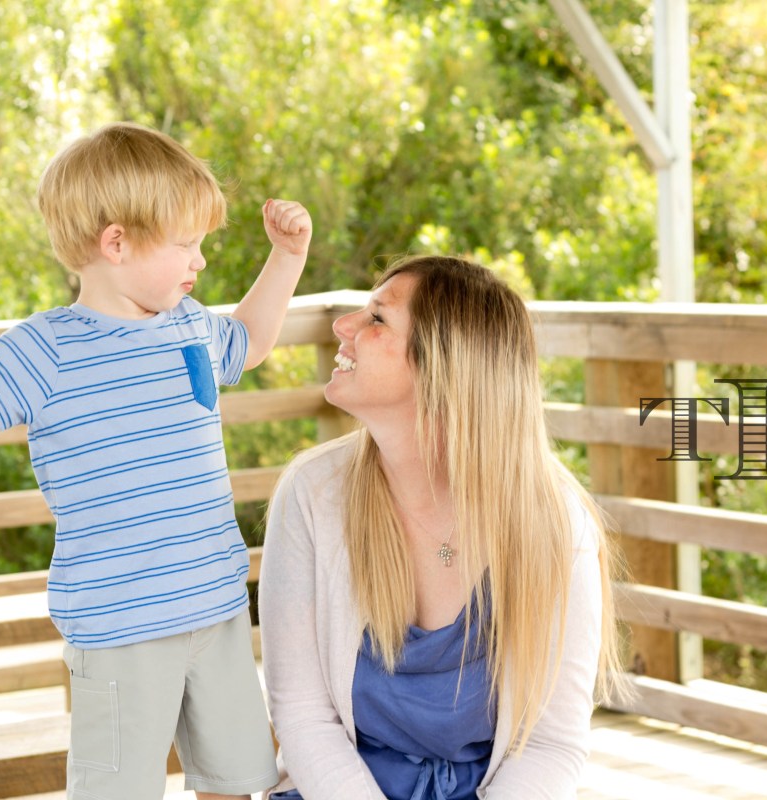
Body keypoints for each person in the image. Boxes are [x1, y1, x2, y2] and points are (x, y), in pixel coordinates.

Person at [0, 121, 312, 800]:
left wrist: (286, 257)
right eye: (187, 245)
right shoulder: (46, 348)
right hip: (120, 626)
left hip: (217, 608)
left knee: (234, 782)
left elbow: (249, 342)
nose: (200, 262)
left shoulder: (190, 323)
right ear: (117, 242)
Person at [258, 255, 625, 800]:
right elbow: (303, 717)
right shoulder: (314, 494)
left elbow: (552, 745)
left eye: (377, 319)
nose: (344, 327)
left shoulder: (554, 522)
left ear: (446, 366)